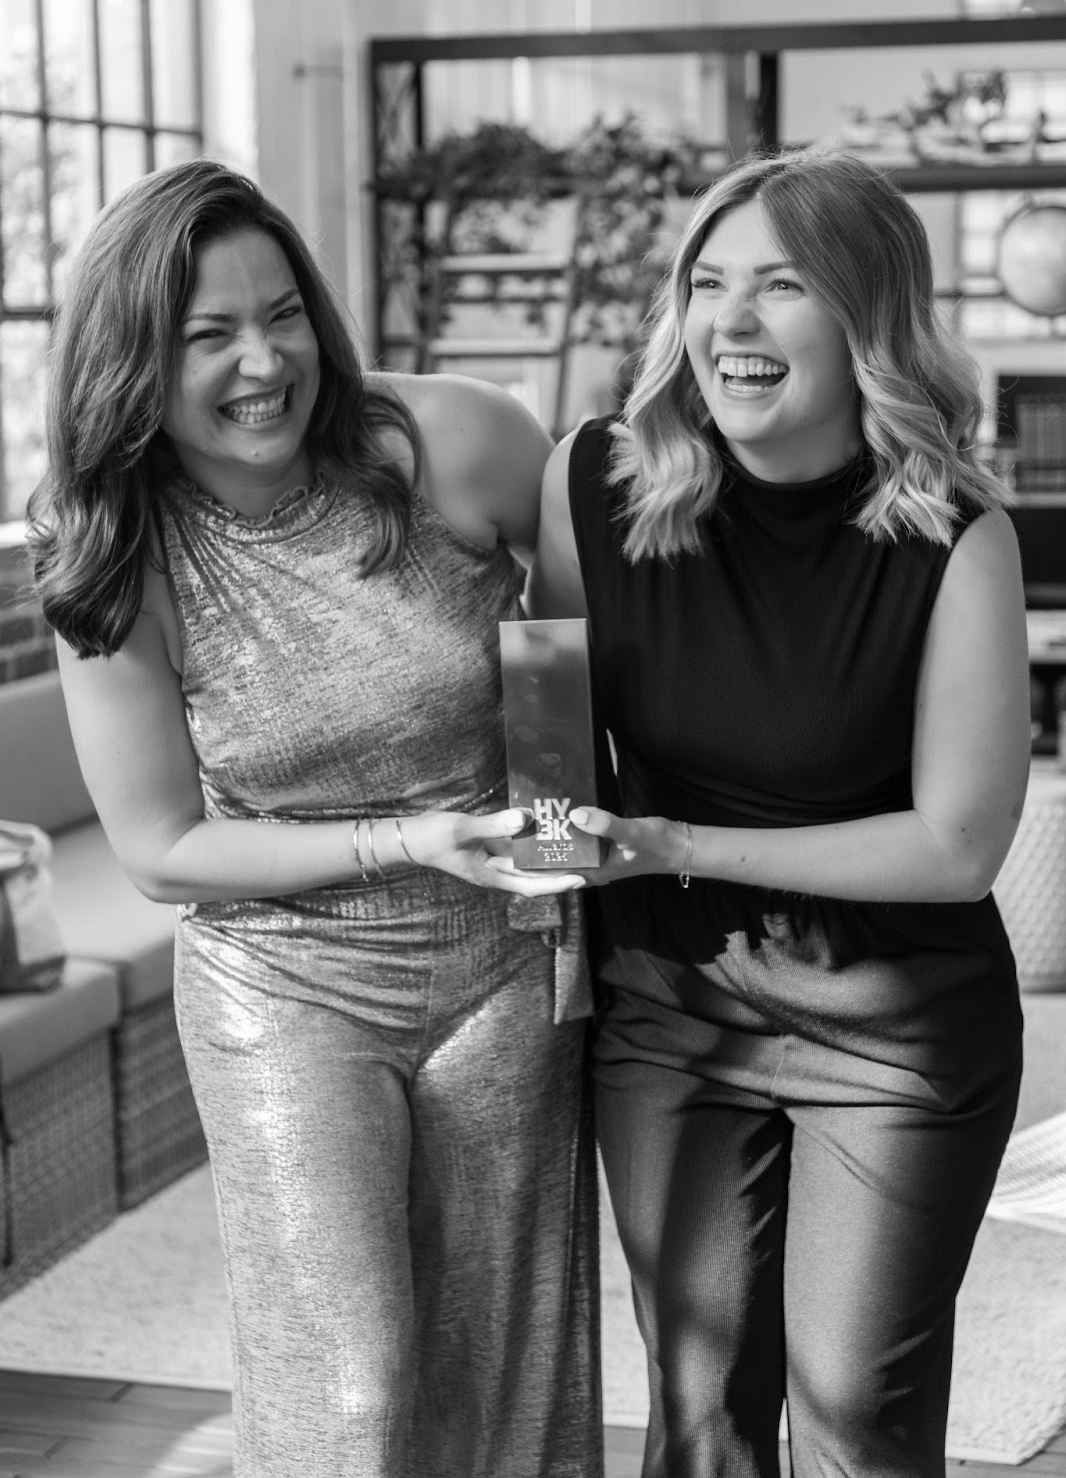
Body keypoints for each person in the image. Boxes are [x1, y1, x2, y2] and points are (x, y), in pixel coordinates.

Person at [28, 159, 603, 1478]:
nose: (264, 361)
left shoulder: (452, 439)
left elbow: (573, 659)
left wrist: (562, 862)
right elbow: (161, 849)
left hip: (503, 964)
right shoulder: (113, 542)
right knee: (347, 1386)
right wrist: (403, 842)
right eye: (210, 335)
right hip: (279, 977)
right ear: (132, 361)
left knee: (498, 1373)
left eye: (282, 313)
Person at [527, 147, 1030, 1478]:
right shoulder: (592, 485)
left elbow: (957, 847)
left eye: (783, 285)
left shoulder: (954, 535)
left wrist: (673, 845)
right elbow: (548, 756)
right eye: (708, 283)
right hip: (669, 1009)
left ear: (868, 319)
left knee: (853, 1410)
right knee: (697, 1409)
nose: (730, 321)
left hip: (893, 1027)